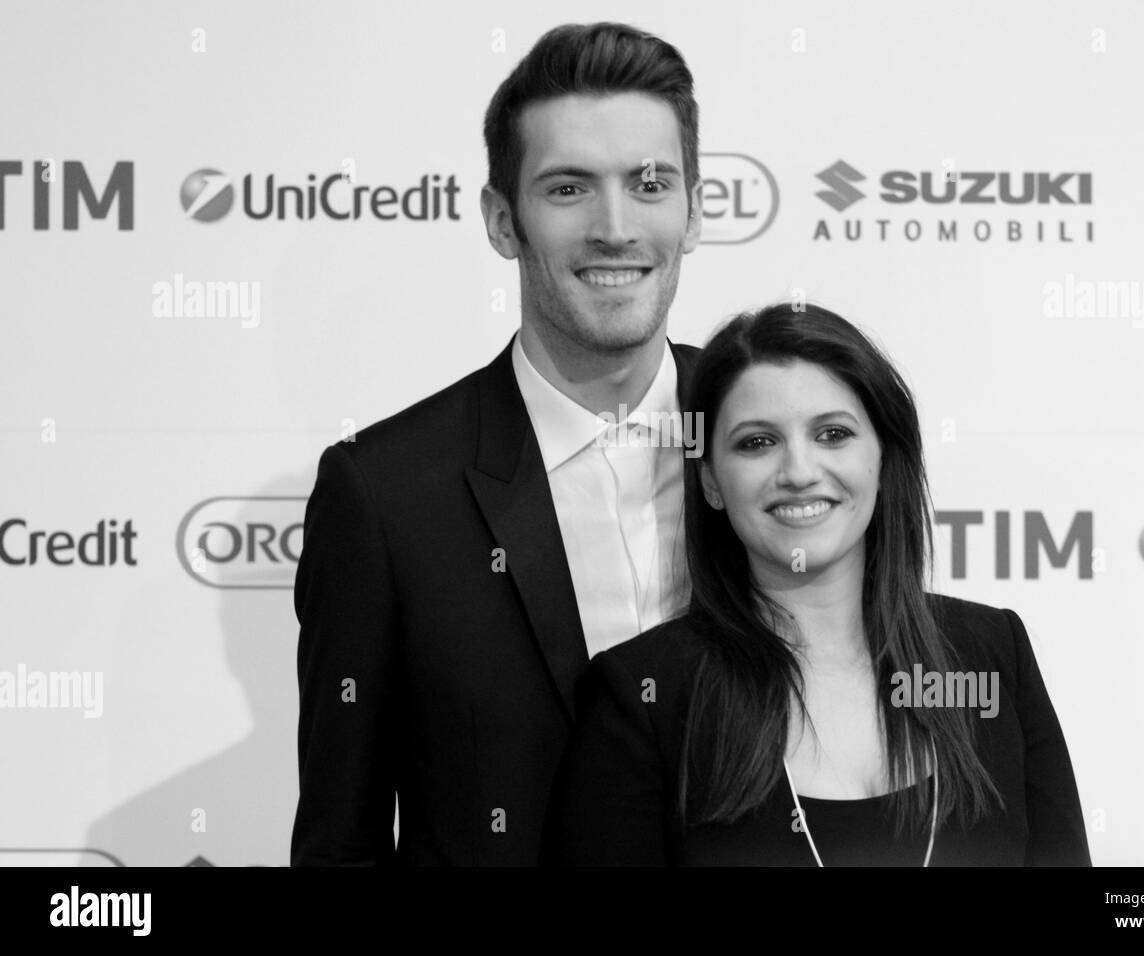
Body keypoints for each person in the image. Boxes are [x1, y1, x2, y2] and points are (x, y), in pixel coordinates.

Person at [291, 22, 705, 865]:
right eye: (568, 188)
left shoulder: (783, 450)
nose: (615, 227)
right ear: (501, 220)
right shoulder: (387, 496)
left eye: (650, 183)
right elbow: (343, 841)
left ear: (694, 211)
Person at [546, 302, 1091, 866]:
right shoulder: (645, 695)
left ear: (884, 458)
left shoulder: (988, 654)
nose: (799, 472)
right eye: (757, 442)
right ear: (710, 480)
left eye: (833, 434)